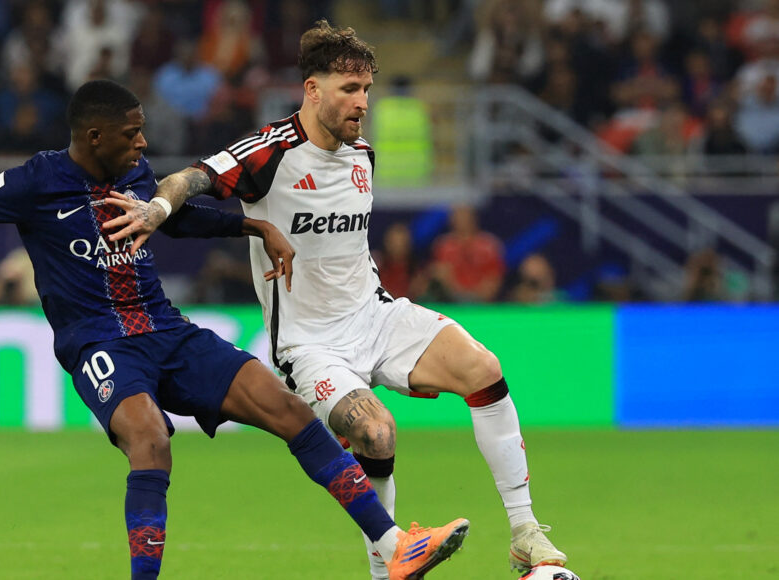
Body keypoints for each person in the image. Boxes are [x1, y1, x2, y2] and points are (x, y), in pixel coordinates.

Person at [0, 79, 468, 580]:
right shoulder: (33, 183)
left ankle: (391, 547)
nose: (143, 144)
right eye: (132, 133)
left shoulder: (132, 172)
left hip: (165, 329)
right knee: (150, 439)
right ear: (93, 137)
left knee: (287, 409)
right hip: (99, 343)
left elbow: (179, 216)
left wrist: (250, 224)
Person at [103, 21, 568, 578]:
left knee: (484, 368)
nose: (362, 103)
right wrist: (156, 210)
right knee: (376, 431)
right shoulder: (269, 152)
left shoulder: (362, 155)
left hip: (375, 315)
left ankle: (525, 534)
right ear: (312, 89)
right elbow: (190, 178)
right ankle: (389, 567)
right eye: (350, 90)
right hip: (310, 344)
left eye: (367, 90)